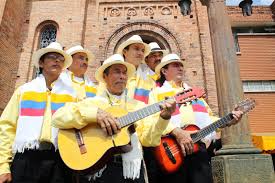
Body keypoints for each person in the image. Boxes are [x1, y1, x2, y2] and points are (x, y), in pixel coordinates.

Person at [52, 54, 176, 183]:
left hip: (132, 171)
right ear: (105, 77)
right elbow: (57, 118)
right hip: (99, 170)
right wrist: (94, 114)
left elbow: (148, 140)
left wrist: (164, 117)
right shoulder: (93, 103)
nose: (122, 76)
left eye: (124, 73)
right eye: (117, 72)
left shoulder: (138, 106)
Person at [146, 53, 244, 183]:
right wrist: (177, 132)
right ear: (164, 70)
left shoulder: (194, 93)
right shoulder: (155, 93)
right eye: (175, 65)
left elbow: (208, 119)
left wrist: (228, 121)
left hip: (199, 150)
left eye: (181, 65)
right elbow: (152, 120)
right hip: (172, 150)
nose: (180, 68)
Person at [0, 42, 75, 183]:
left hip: (59, 159)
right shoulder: (24, 90)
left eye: (61, 59)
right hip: (26, 159)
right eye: (52, 57)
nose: (57, 60)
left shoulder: (72, 94)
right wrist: (3, 166)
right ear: (41, 63)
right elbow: (6, 127)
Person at [116, 35, 154, 104]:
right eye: (136, 49)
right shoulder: (111, 75)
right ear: (125, 52)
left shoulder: (151, 78)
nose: (140, 53)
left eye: (142, 50)